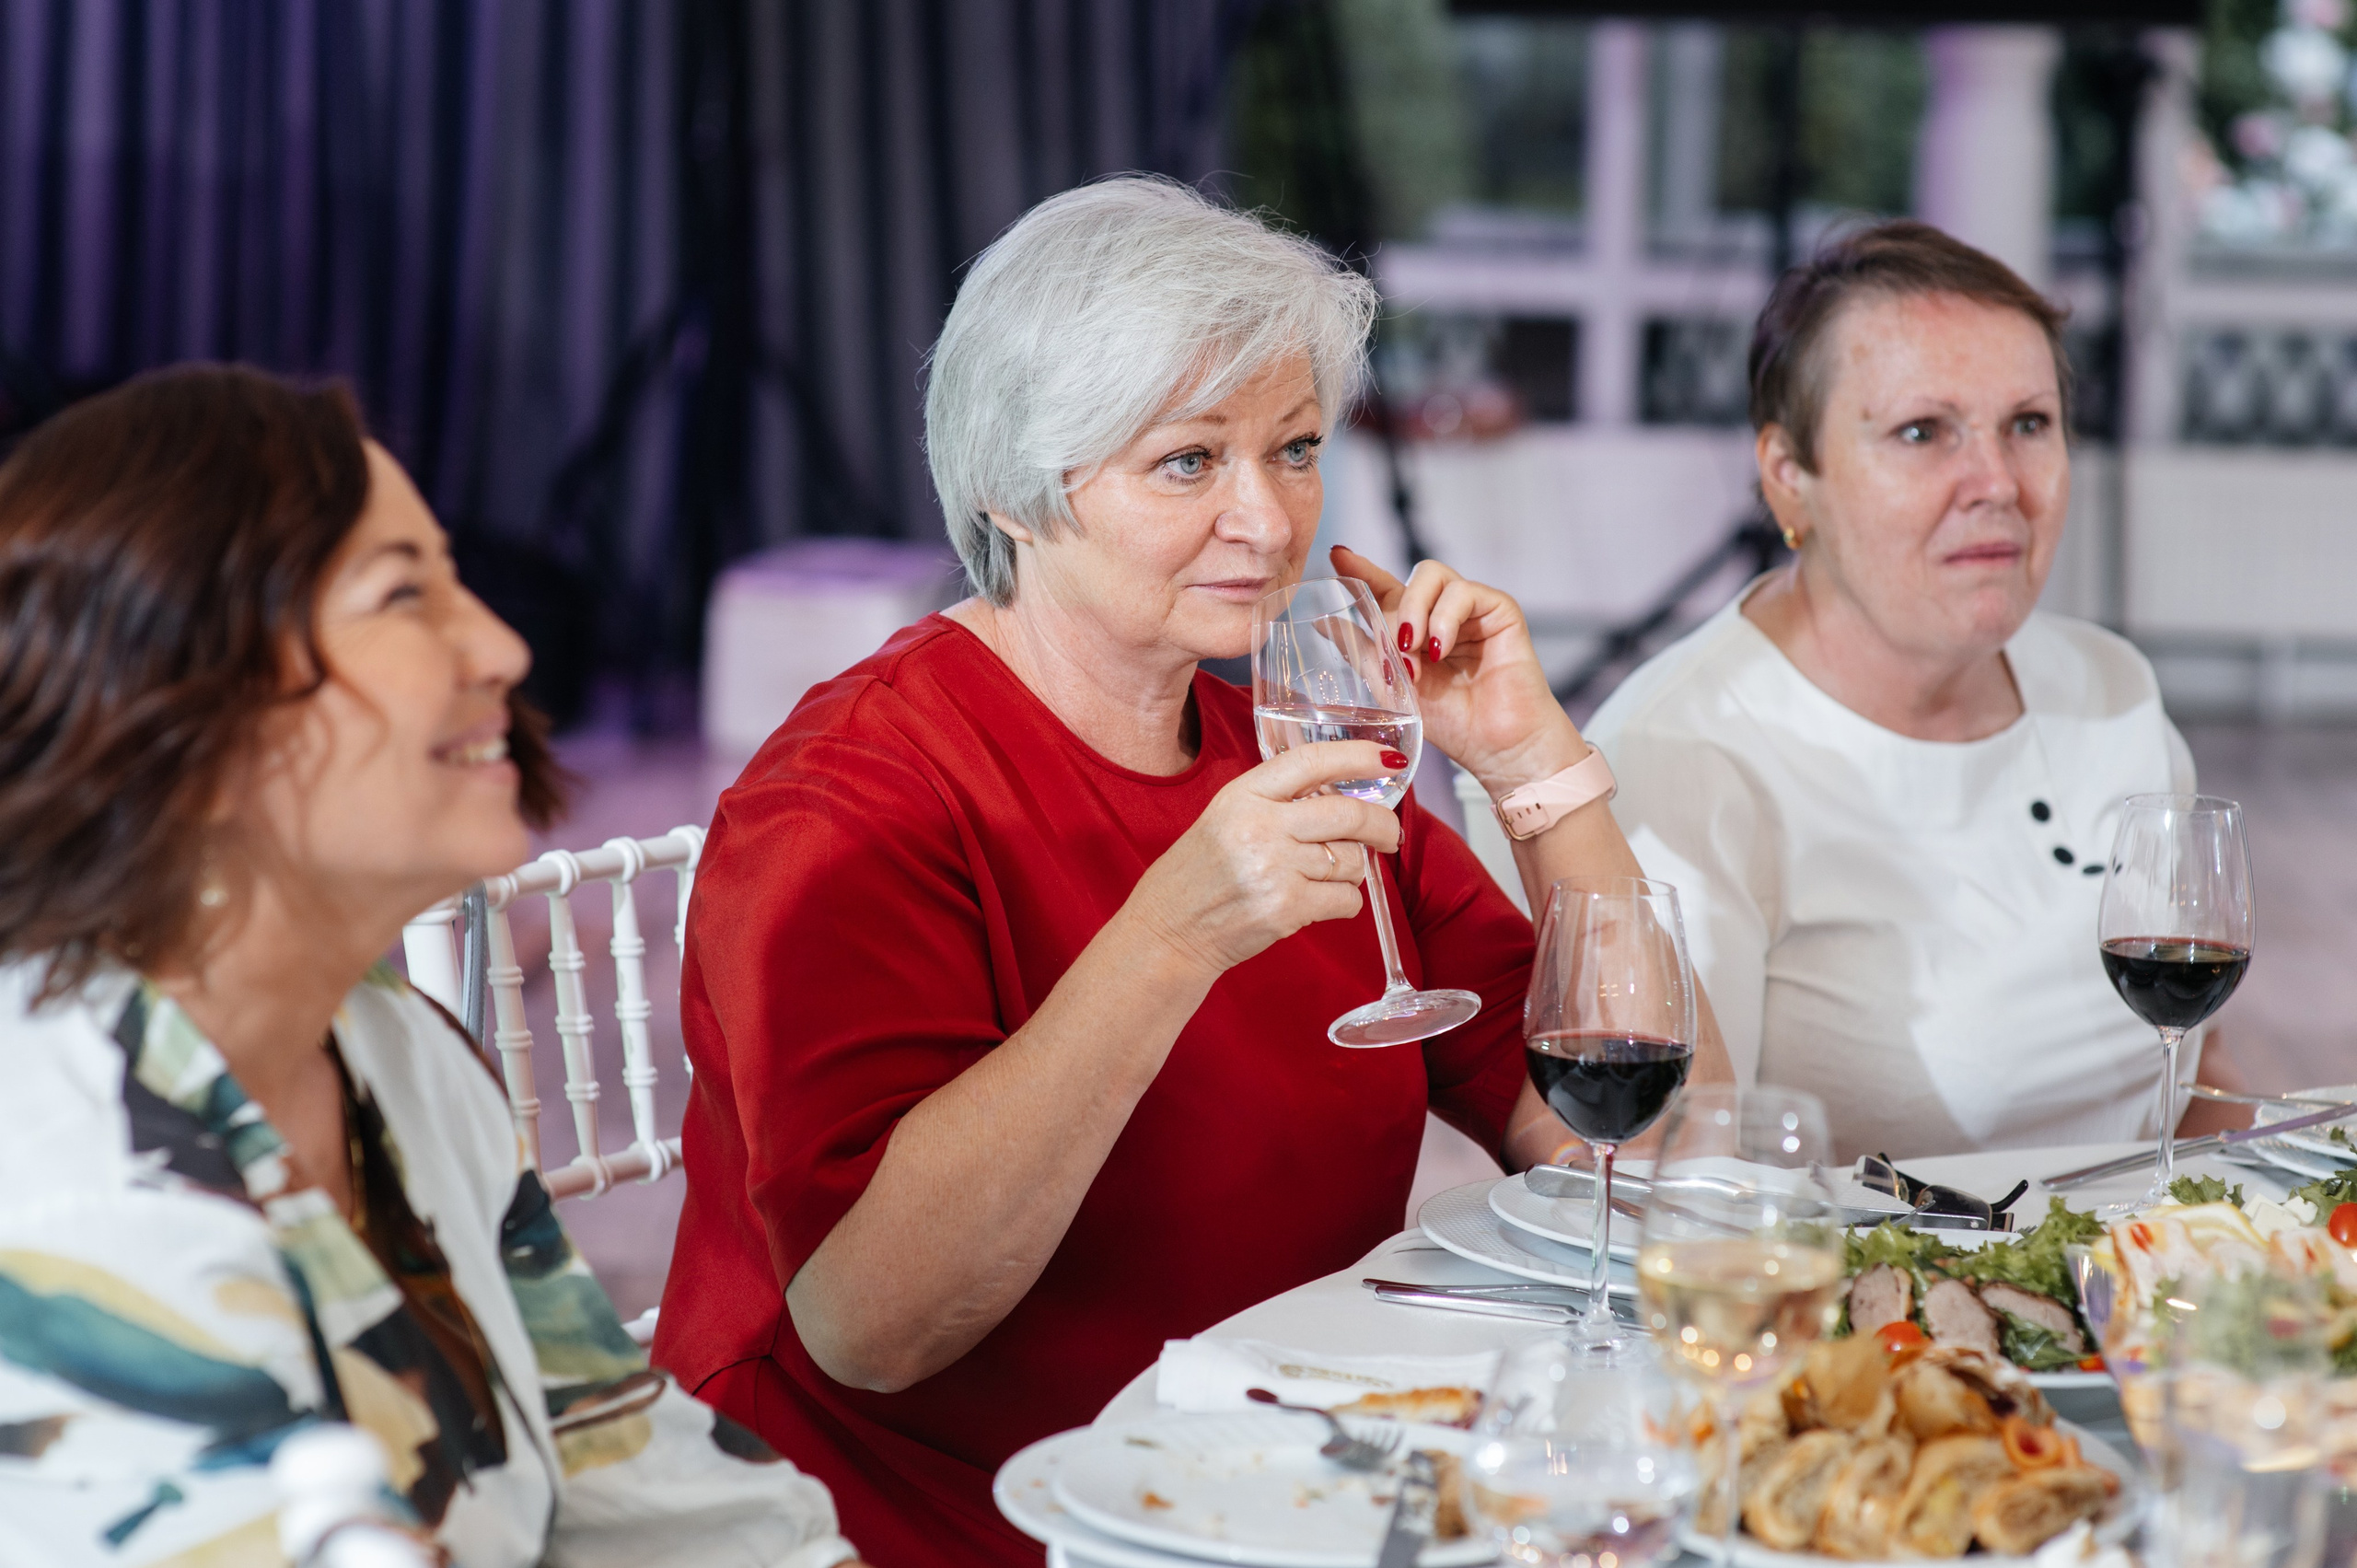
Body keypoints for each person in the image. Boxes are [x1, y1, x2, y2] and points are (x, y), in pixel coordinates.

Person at [653, 175, 1729, 1565]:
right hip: (918, 1520)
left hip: (1276, 1489)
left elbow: (1624, 1149)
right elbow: (871, 1327)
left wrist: (1530, 757)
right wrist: (1168, 939)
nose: (1269, 522)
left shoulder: (1286, 749)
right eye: (1187, 461)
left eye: (1293, 448)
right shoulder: (850, 798)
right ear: (1016, 490)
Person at [0, 366, 863, 1568]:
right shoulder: (68, 1186)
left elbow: (624, 1458)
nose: (504, 645)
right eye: (404, 592)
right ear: (181, 698)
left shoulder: (389, 1048)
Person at [1584, 220, 2231, 1162]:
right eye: (1922, 431)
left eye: (2028, 424)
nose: (1997, 482)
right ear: (1788, 479)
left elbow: (2187, 1079)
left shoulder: (2109, 688)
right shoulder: (1683, 753)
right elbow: (1679, 1172)